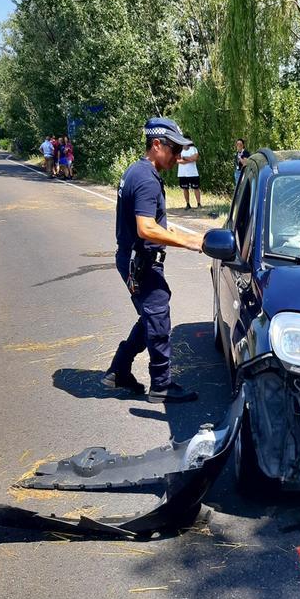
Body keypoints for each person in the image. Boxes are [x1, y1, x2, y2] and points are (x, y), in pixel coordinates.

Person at [102, 117, 206, 403]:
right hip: (140, 262)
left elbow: (154, 225)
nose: (177, 156)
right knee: (158, 318)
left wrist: (180, 234)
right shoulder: (146, 178)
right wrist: (192, 242)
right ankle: (160, 384)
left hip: (136, 258)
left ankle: (119, 370)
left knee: (150, 314)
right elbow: (146, 228)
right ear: (156, 145)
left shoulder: (139, 171)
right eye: (174, 149)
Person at [177, 135, 201, 209]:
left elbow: (195, 158)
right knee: (185, 188)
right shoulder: (179, 150)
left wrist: (184, 158)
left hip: (193, 173)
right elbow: (177, 160)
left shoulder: (193, 149)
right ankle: (188, 204)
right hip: (182, 173)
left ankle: (199, 203)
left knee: (196, 188)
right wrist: (190, 159)